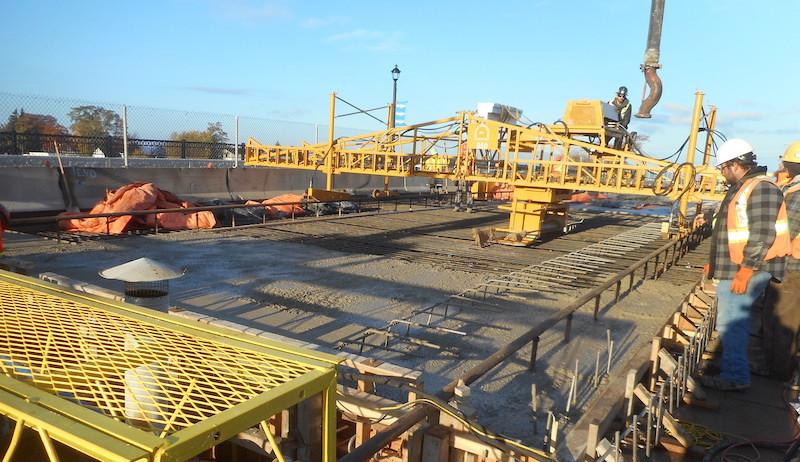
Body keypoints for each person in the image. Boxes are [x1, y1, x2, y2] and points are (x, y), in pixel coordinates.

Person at [695, 138, 790, 391]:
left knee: (732, 322)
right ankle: (731, 365)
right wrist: (713, 264)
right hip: (736, 266)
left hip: (748, 268)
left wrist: (746, 270)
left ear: (735, 164)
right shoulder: (744, 186)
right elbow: (729, 230)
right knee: (734, 321)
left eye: (722, 168)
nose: (721, 174)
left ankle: (735, 376)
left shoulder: (761, 188)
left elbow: (761, 234)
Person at [762, 141, 800, 380]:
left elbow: (788, 229)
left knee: (782, 319)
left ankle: (777, 371)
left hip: (790, 266)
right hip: (791, 265)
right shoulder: (793, 189)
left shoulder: (797, 195)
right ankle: (784, 367)